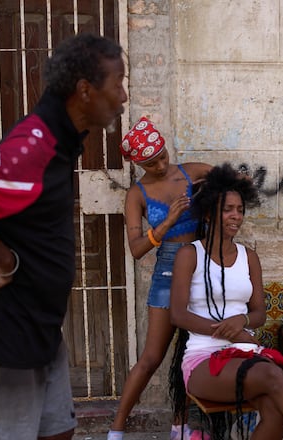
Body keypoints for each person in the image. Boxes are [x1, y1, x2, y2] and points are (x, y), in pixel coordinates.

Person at [0, 33, 127, 440]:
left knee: (59, 431)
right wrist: (4, 259)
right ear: (85, 91)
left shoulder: (59, 142)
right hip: (8, 334)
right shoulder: (34, 144)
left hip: (39, 328)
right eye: (117, 82)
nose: (122, 96)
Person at [168, 163, 283, 440]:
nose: (236, 216)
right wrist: (227, 329)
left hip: (245, 352)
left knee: (277, 413)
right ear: (209, 213)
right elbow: (178, 315)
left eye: (240, 210)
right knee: (273, 376)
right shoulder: (189, 255)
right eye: (228, 209)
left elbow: (259, 314)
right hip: (203, 360)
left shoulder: (249, 257)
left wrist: (242, 323)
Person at [107, 117, 211, 440]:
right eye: (153, 163)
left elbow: (229, 180)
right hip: (167, 271)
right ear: (140, 164)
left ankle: (180, 428)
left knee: (188, 351)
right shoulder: (136, 196)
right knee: (152, 357)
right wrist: (168, 222)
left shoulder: (190, 171)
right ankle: (116, 430)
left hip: (200, 269)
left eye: (163, 155)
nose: (162, 164)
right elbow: (137, 249)